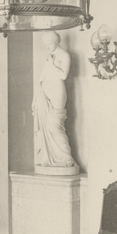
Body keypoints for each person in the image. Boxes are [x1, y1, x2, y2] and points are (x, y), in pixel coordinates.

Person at [33, 31, 77, 171]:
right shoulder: (49, 56)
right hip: (43, 93)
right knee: (46, 127)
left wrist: (52, 63)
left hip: (57, 92)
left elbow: (63, 75)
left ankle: (67, 158)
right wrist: (35, 97)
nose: (47, 47)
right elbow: (42, 76)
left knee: (54, 126)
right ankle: (49, 159)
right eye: (45, 45)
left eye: (49, 44)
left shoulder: (64, 55)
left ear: (57, 41)